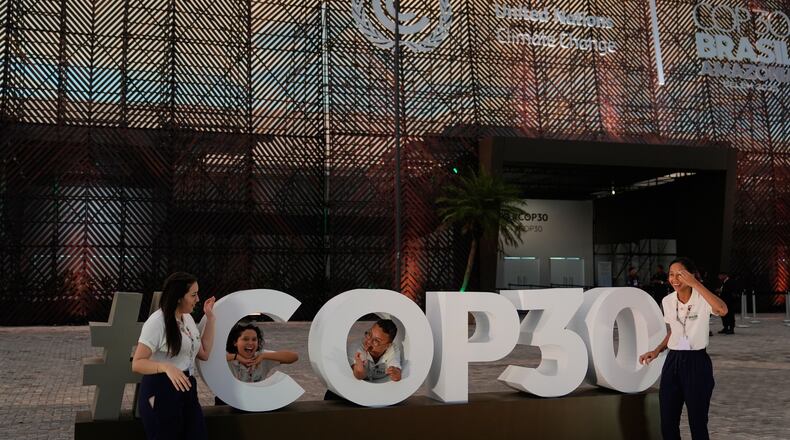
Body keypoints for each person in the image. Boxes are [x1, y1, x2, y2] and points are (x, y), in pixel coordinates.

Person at [639, 257, 727, 440]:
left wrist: (697, 284)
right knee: (667, 422)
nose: (675, 279)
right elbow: (675, 330)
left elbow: (722, 310)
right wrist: (657, 350)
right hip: (673, 362)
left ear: (691, 275)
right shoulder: (667, 301)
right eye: (672, 274)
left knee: (698, 422)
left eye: (680, 274)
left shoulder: (702, 299)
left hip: (697, 363)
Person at [132, 272, 216, 440]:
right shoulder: (157, 322)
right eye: (193, 295)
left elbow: (204, 353)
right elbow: (137, 363)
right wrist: (166, 367)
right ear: (178, 297)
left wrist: (210, 318)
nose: (198, 299)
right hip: (161, 389)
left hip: (187, 388)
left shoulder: (188, 319)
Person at [214, 322, 299, 406]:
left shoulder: (261, 356)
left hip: (254, 401)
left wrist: (264, 356)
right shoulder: (229, 358)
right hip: (228, 401)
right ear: (235, 342)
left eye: (254, 339)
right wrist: (236, 357)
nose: (250, 343)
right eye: (245, 339)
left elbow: (294, 357)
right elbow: (212, 359)